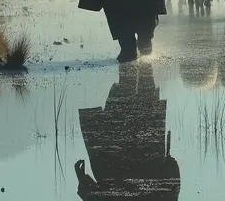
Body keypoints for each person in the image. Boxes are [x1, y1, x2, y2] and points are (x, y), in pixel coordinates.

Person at [74, 62, 181, 199]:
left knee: (142, 85)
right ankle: (135, 54)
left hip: (145, 151)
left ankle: (139, 52)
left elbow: (172, 178)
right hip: (113, 155)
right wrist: (83, 182)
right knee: (127, 89)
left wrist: (169, 162)